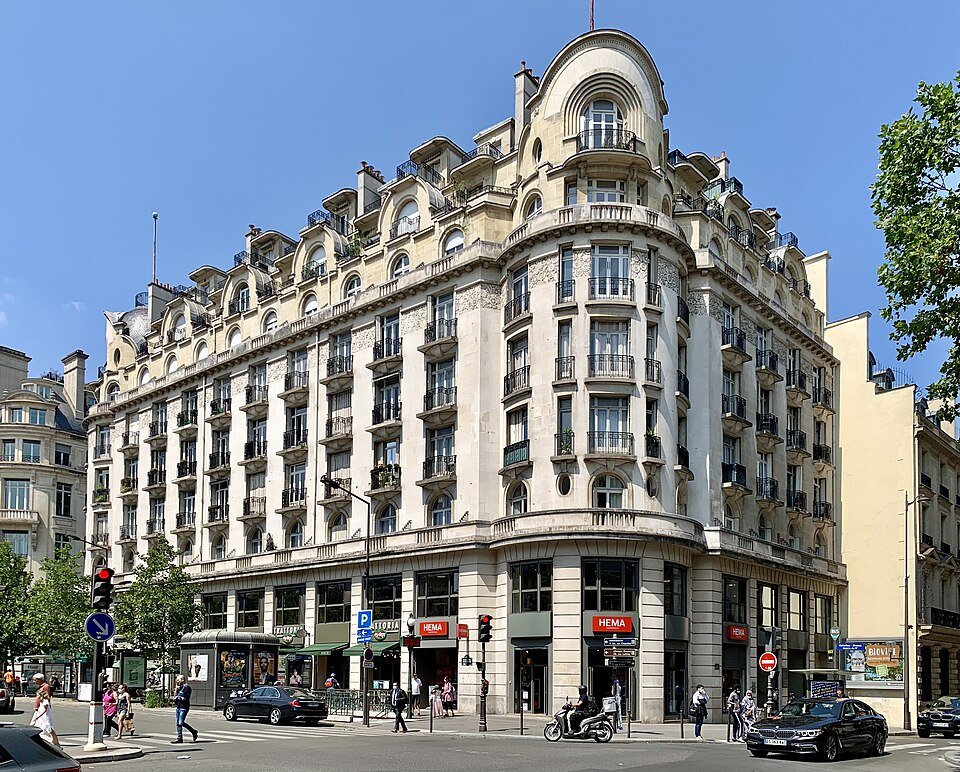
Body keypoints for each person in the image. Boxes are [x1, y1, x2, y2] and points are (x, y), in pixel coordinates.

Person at [31, 674, 59, 747]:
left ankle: (55, 741)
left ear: (40, 679)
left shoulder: (45, 687)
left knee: (47, 724)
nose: (35, 681)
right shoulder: (42, 687)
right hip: (40, 708)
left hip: (43, 708)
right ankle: (54, 741)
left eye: (36, 680)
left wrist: (44, 705)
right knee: (38, 724)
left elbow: (47, 697)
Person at [171, 674, 198, 744]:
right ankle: (179, 738)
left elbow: (185, 698)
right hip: (178, 706)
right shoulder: (179, 687)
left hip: (184, 707)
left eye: (178, 680)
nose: (177, 681)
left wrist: (178, 698)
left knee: (181, 722)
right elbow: (175, 696)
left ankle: (193, 731)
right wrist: (176, 690)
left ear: (182, 680)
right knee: (178, 723)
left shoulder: (187, 687)